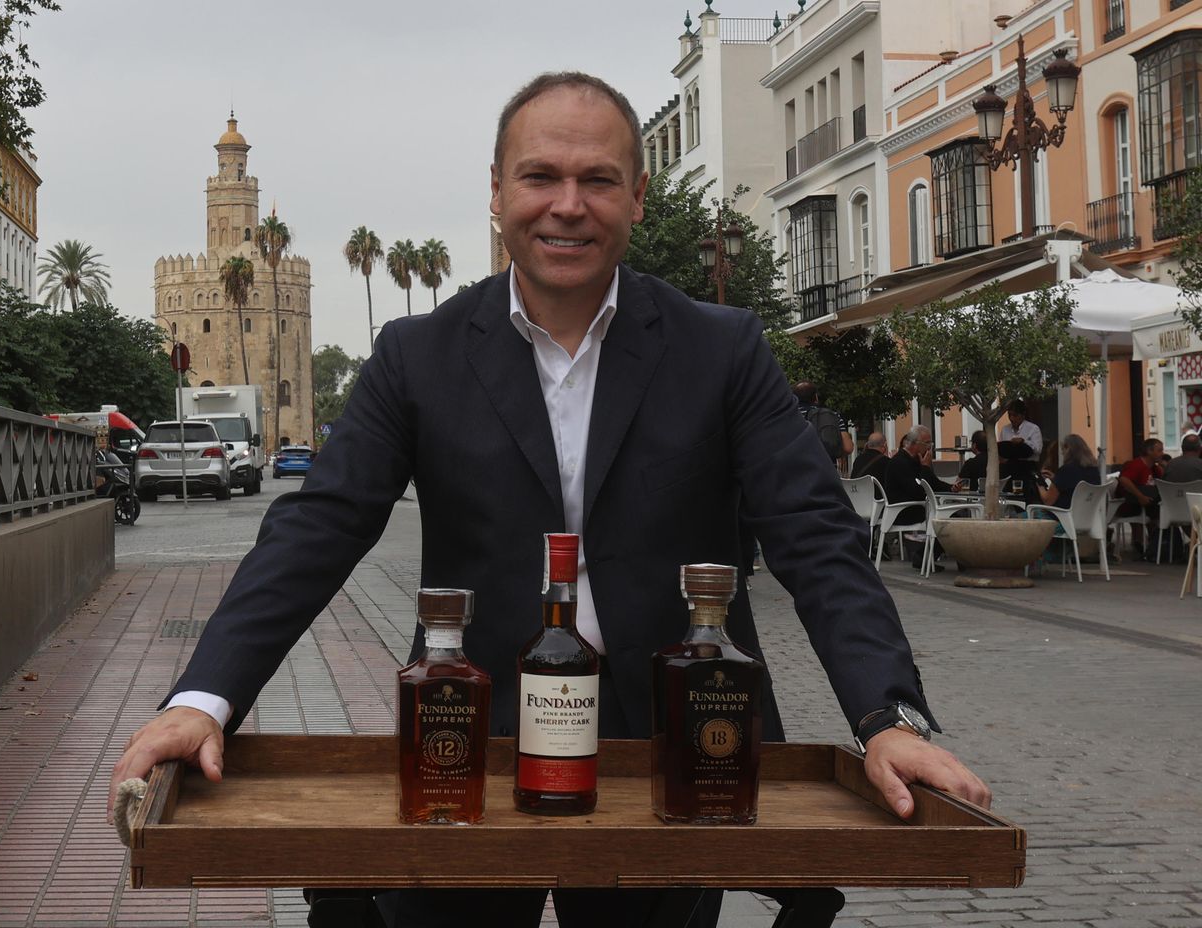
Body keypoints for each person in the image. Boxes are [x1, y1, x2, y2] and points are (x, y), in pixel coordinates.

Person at [106, 72, 989, 928]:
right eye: (540, 177)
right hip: (466, 740)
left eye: (597, 179)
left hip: (674, 746)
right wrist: (203, 700)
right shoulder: (418, 355)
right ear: (497, 193)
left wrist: (889, 717)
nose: (568, 205)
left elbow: (816, 537)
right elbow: (317, 527)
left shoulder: (720, 350)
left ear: (637, 197)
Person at [882, 426, 952, 570]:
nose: (930, 447)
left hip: (918, 506)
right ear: (915, 444)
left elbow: (934, 483)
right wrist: (925, 468)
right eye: (927, 443)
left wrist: (951, 488)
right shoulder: (899, 462)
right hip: (904, 510)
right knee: (948, 519)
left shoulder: (917, 460)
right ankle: (923, 556)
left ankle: (926, 556)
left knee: (953, 517)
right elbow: (918, 491)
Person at [1116, 437, 1165, 560]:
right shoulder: (1136, 465)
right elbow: (1124, 479)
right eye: (1159, 450)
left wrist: (1165, 467)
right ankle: (1152, 543)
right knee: (1157, 509)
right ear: (1149, 451)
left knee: (1159, 506)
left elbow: (1163, 483)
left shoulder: (1155, 468)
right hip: (1129, 504)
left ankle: (1153, 543)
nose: (1162, 453)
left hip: (1147, 503)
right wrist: (1140, 496)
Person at [795, 381, 853, 471]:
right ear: (816, 398)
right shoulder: (832, 416)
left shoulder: (786, 417)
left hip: (795, 472)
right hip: (826, 472)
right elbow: (848, 448)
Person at [1036, 433, 1100, 508]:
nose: (1062, 453)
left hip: (1062, 513)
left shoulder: (1065, 471)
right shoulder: (1094, 470)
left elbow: (1047, 500)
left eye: (1063, 450)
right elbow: (1073, 482)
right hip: (1087, 513)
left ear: (1068, 449)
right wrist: (1056, 478)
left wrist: (1040, 485)